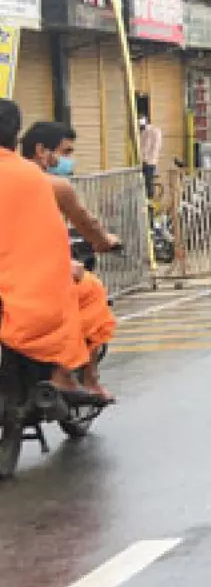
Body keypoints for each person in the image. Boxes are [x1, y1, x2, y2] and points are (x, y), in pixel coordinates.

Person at [0, 100, 98, 406]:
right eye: (64, 152)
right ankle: (66, 374)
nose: (66, 159)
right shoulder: (37, 180)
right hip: (22, 287)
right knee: (78, 292)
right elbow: (49, 242)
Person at [20, 121, 121, 399]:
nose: (68, 160)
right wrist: (105, 241)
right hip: (32, 276)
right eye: (65, 152)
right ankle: (82, 377)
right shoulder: (52, 185)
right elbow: (87, 223)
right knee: (91, 291)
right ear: (42, 151)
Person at [139, 114, 162, 200]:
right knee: (146, 182)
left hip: (149, 161)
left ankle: (149, 199)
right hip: (146, 161)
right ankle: (148, 198)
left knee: (148, 182)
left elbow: (152, 148)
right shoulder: (145, 132)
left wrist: (147, 159)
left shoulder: (153, 131)